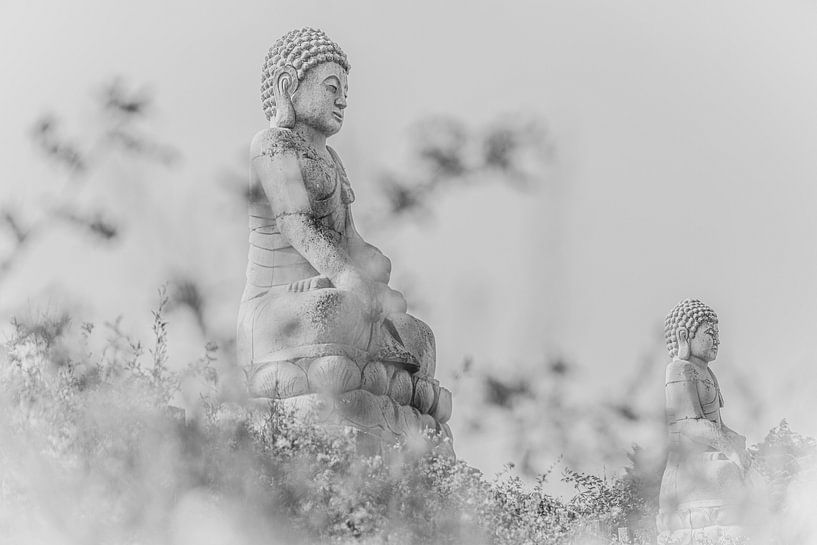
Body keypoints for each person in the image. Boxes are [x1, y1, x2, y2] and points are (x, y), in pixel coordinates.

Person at [237, 27, 436, 399]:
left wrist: (374, 268)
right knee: (334, 311)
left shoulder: (333, 160)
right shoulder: (272, 145)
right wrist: (345, 274)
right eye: (331, 88)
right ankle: (347, 375)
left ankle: (370, 377)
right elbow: (295, 225)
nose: (342, 100)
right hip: (276, 304)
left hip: (331, 290)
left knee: (419, 336)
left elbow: (350, 238)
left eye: (345, 92)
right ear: (287, 86)